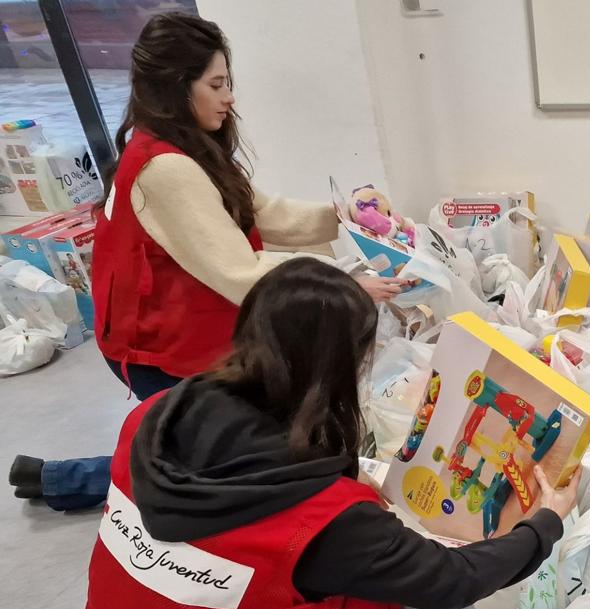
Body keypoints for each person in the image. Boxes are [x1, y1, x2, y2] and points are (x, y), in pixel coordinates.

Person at [76, 258, 577, 609]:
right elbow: (455, 578)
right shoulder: (319, 521)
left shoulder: (154, 417)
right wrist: (543, 523)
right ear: (344, 364)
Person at [8, 12, 400, 511]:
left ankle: (53, 478)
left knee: (194, 453)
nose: (229, 97)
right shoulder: (166, 169)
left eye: (227, 82)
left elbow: (261, 211)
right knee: (204, 465)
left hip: (181, 330)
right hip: (160, 344)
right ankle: (65, 480)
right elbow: (239, 274)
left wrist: (344, 216)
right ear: (177, 87)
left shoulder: (184, 147)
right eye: (216, 84)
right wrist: (343, 282)